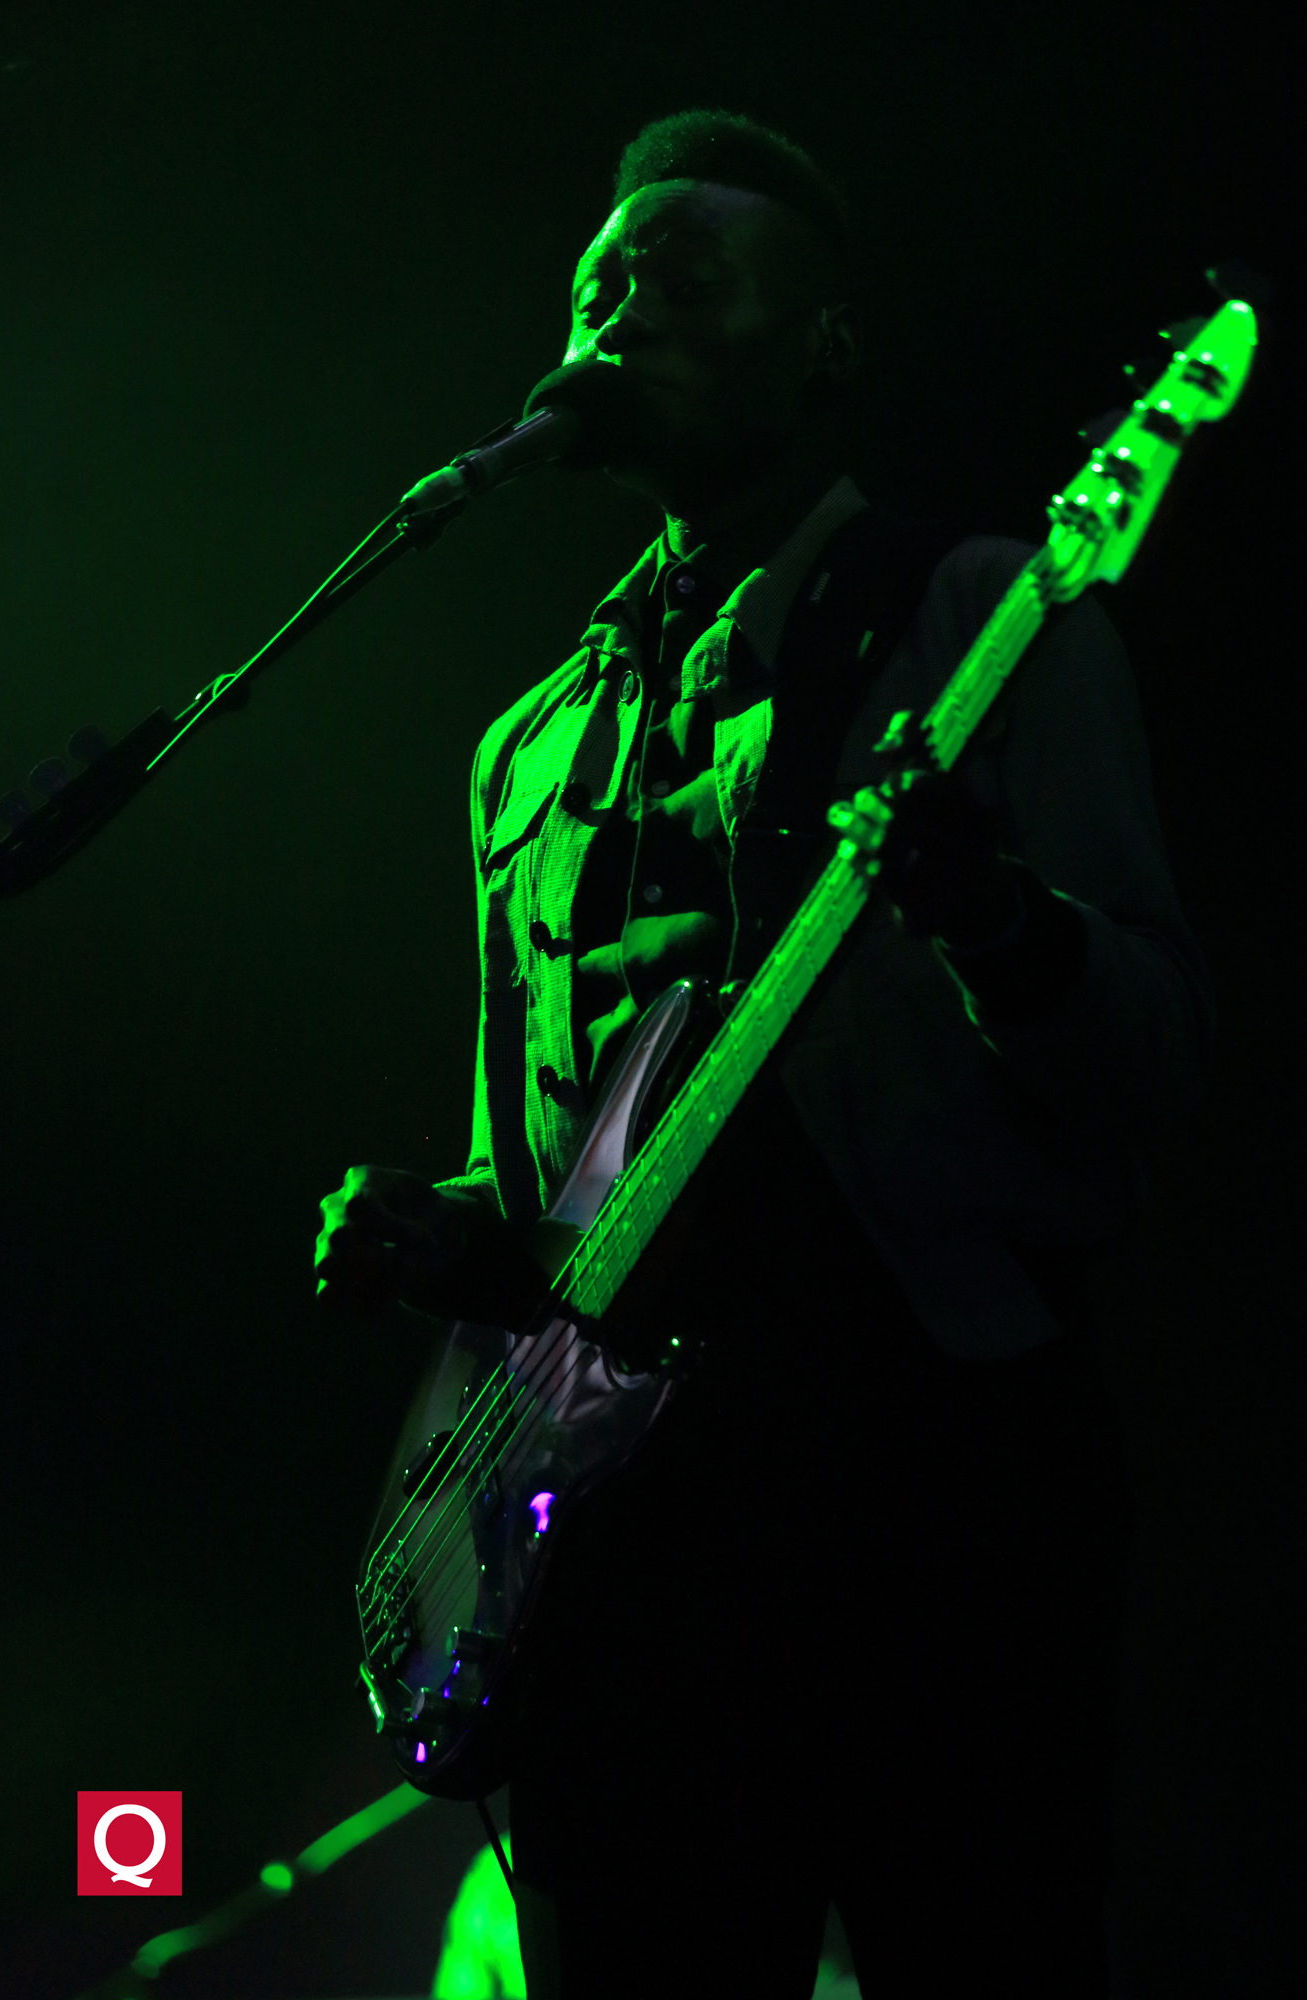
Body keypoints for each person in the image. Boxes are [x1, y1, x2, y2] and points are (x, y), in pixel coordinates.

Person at [315, 109, 1213, 1999]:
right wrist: (446, 1231)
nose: (625, 304)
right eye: (601, 280)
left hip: (925, 1490)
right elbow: (539, 1174)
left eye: (688, 274)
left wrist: (988, 917)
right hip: (611, 1550)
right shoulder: (522, 747)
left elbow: (1151, 1064)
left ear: (824, 349)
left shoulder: (970, 609)